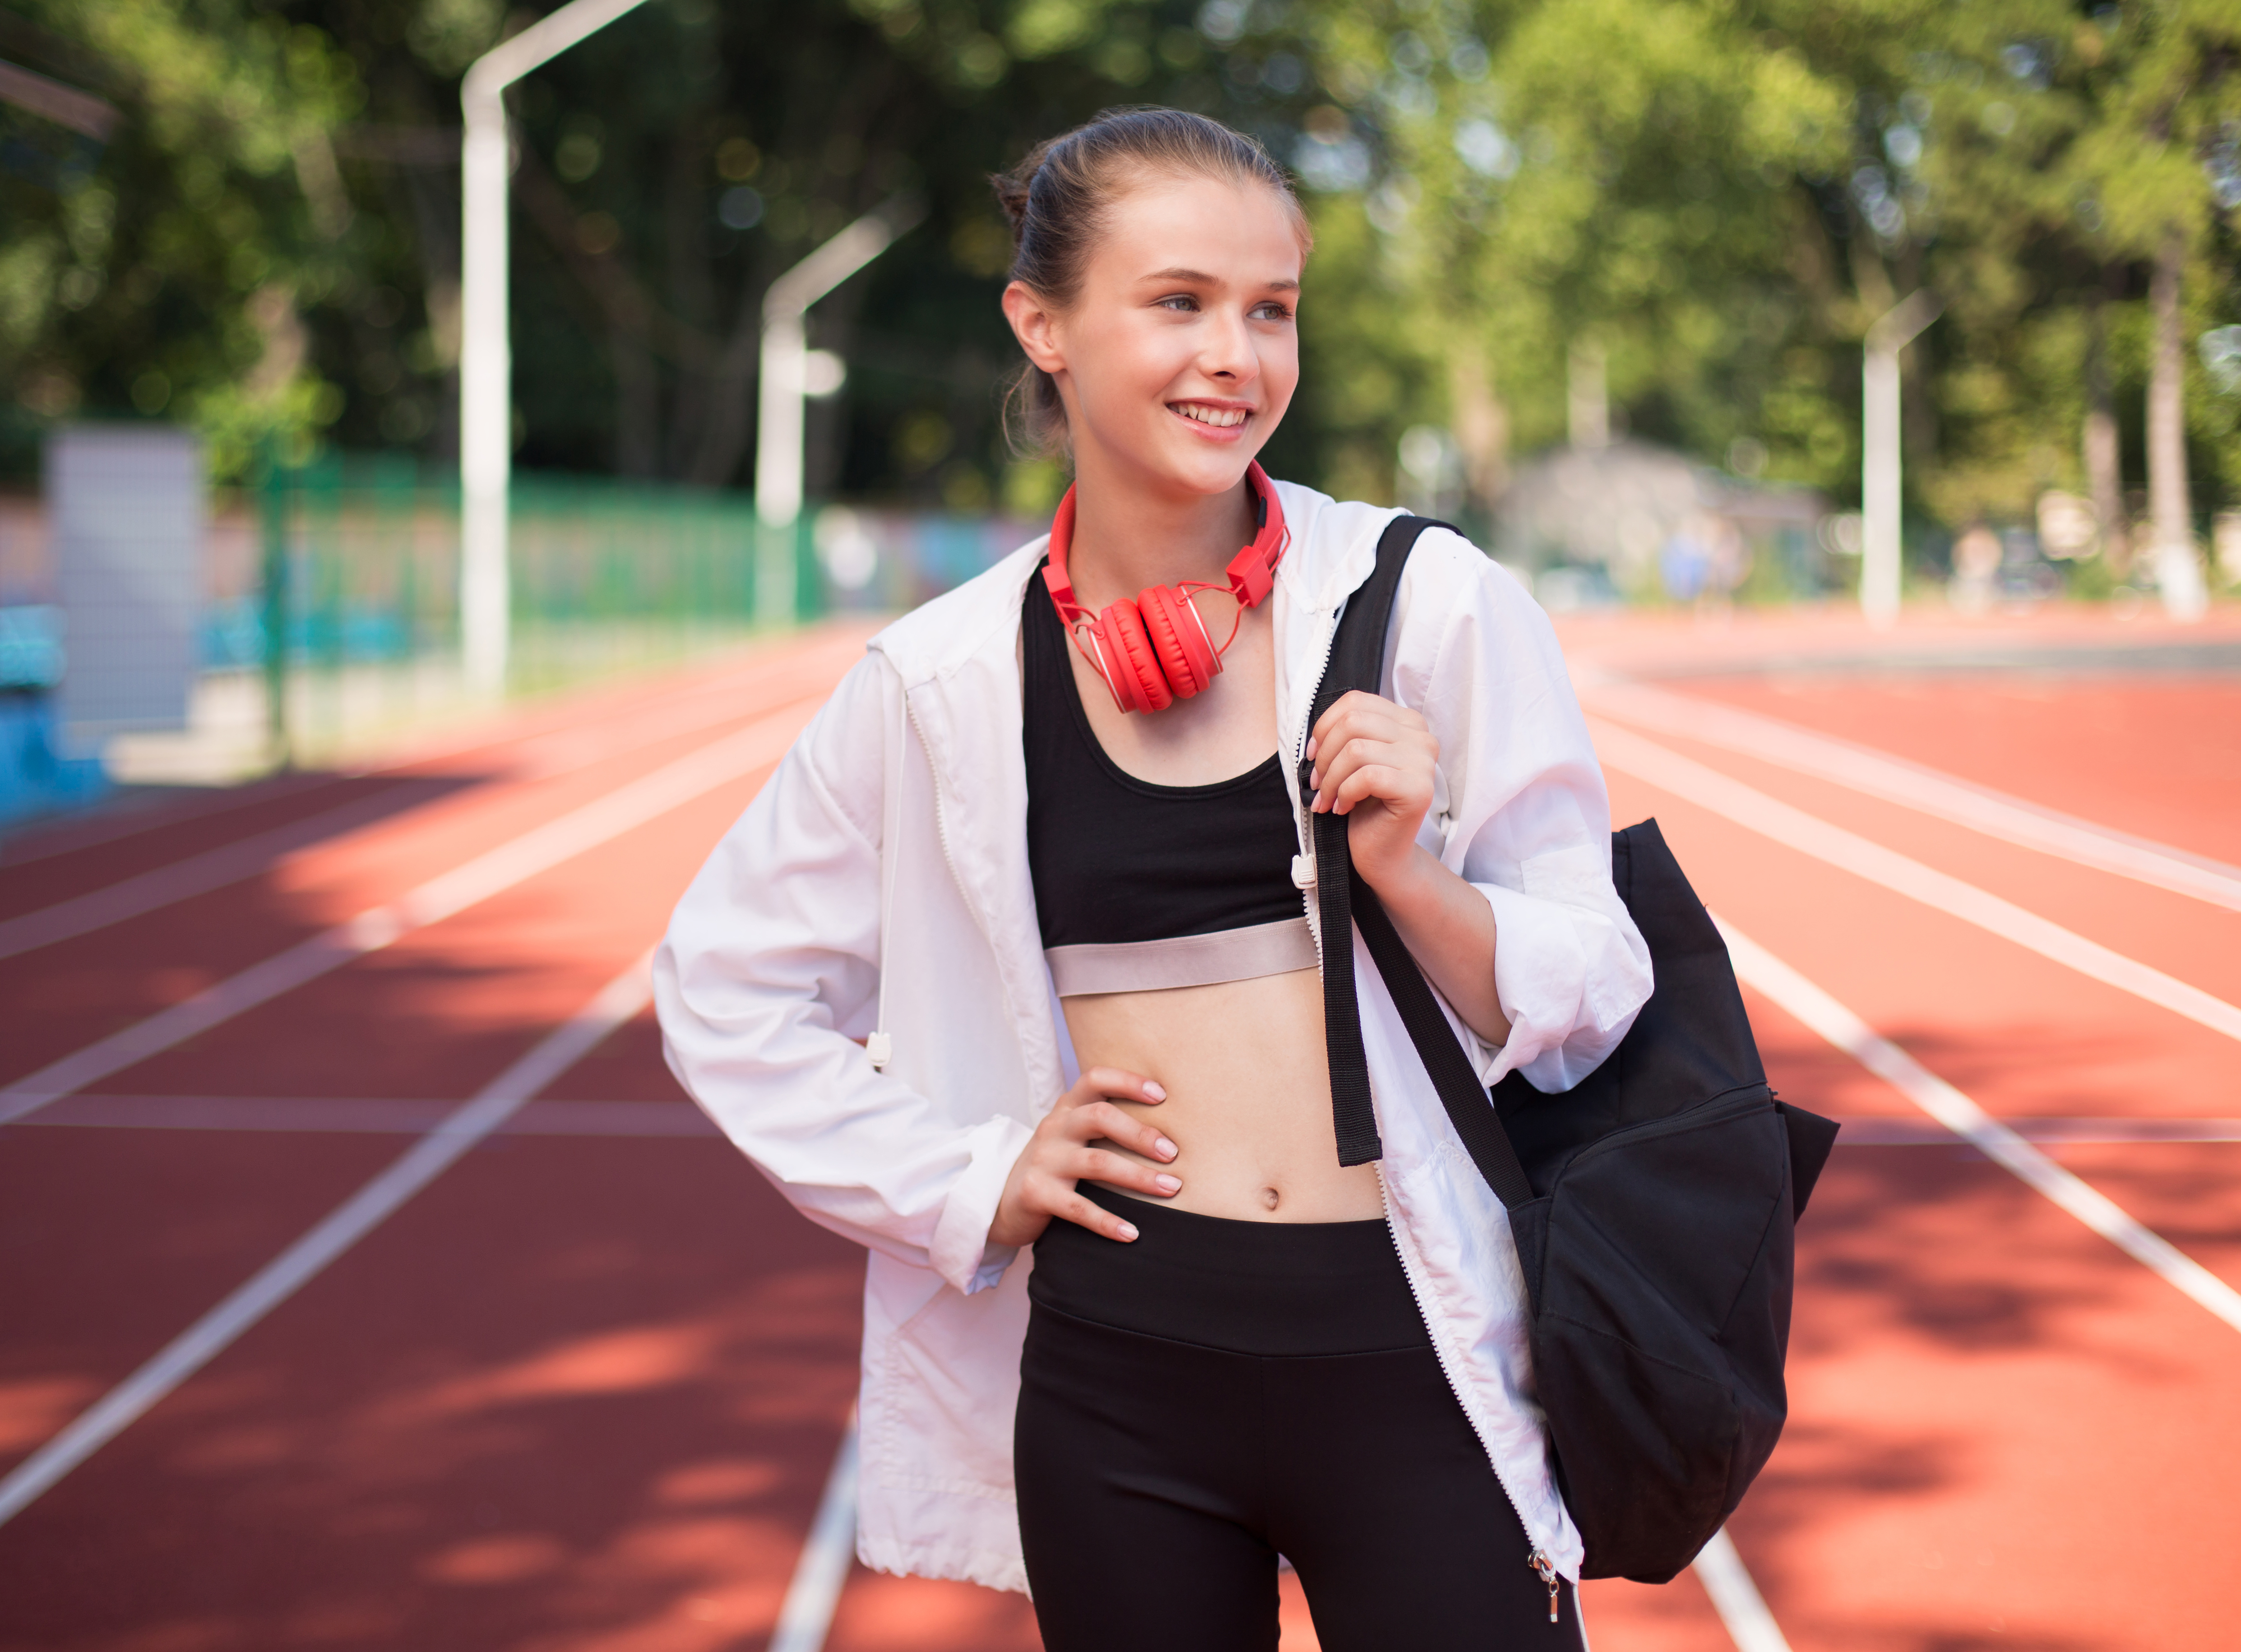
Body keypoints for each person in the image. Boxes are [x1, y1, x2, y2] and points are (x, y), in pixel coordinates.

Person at [654, 107, 1652, 1650]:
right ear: (1040, 324)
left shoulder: (1424, 605)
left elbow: (1595, 994)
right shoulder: (939, 681)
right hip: (1120, 1379)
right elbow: (723, 985)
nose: (1235, 358)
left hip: (1411, 1354)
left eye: (1272, 310)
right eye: (1178, 303)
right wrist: (968, 1181)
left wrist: (1409, 876)